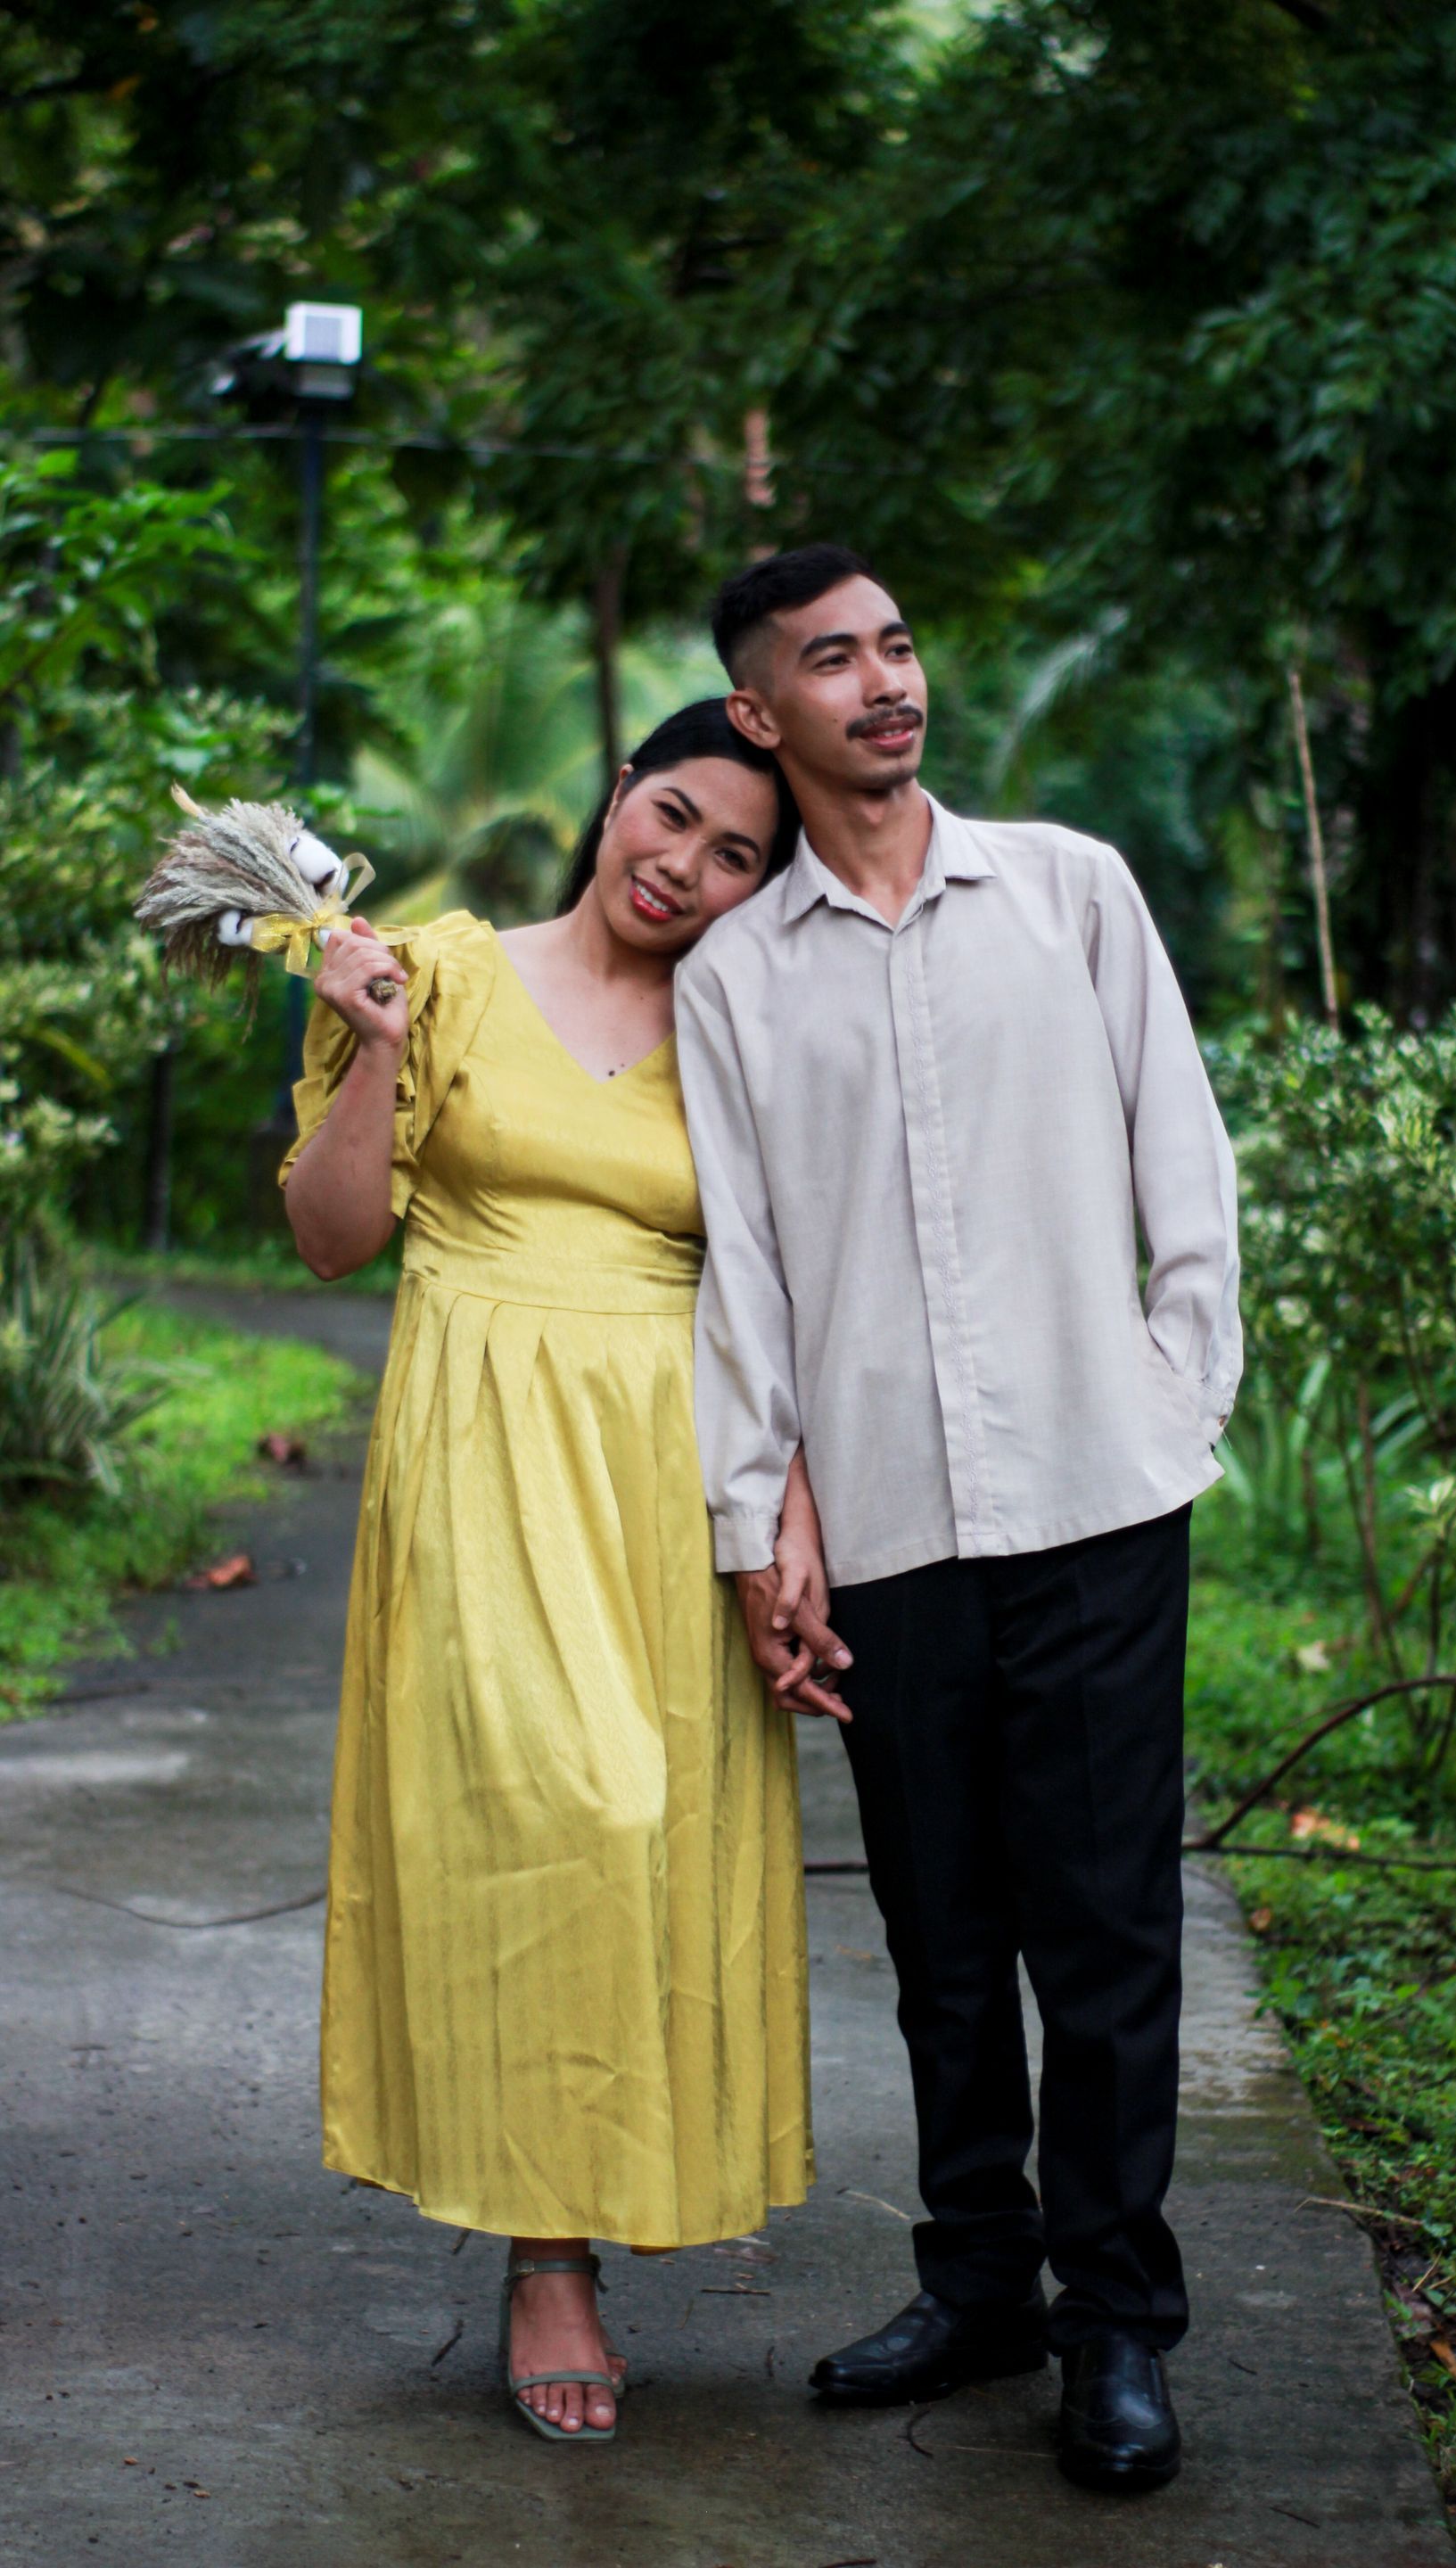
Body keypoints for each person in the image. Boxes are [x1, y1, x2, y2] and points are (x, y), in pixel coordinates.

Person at [674, 547, 1242, 2495]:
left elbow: (1186, 1159)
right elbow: (746, 1274)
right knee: (940, 1936)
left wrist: (1174, 1398)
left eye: (899, 644)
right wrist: (759, 1519)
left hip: (1097, 1495)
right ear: (762, 712)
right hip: (892, 1529)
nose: (886, 682)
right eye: (834, 660)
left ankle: (1116, 2325)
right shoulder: (740, 979)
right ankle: (981, 2281)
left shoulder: (1070, 890)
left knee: (1107, 1930)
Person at [279, 700, 835, 2446]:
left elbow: (784, 1298)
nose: (684, 867)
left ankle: (601, 2194)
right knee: (561, 1816)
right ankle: (548, 2259)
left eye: (736, 855)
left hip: (673, 1470)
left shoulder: (747, 1033)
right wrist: (373, 1046)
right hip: (480, 1448)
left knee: (654, 1838)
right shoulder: (440, 970)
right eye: (672, 816)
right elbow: (330, 1236)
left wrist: (793, 1516)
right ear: (615, 796)